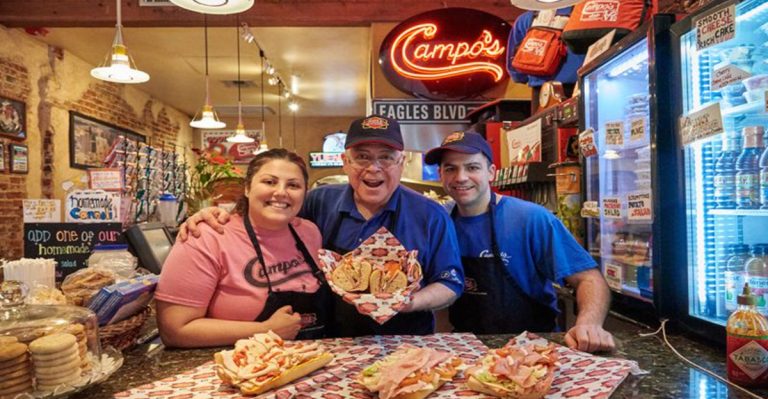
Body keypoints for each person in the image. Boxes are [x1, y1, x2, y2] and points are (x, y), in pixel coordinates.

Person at [178, 115, 464, 337]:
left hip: (407, 341)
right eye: (362, 156)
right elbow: (270, 212)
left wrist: (409, 302)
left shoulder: (430, 214)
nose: (373, 168)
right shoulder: (318, 202)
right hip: (331, 344)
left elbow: (450, 282)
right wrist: (219, 213)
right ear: (345, 163)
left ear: (401, 163)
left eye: (386, 158)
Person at [423, 131, 615, 353]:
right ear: (441, 175)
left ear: (491, 172)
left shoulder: (530, 219)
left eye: (472, 167)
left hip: (533, 350)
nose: (460, 177)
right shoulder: (438, 222)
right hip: (464, 351)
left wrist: (588, 324)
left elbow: (589, 279)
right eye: (450, 168)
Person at [155, 149, 331, 348]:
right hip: (236, 367)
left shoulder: (309, 232)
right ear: (247, 188)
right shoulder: (208, 236)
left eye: (293, 185)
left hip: (309, 362)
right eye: (269, 182)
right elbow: (174, 330)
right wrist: (265, 330)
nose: (281, 192)